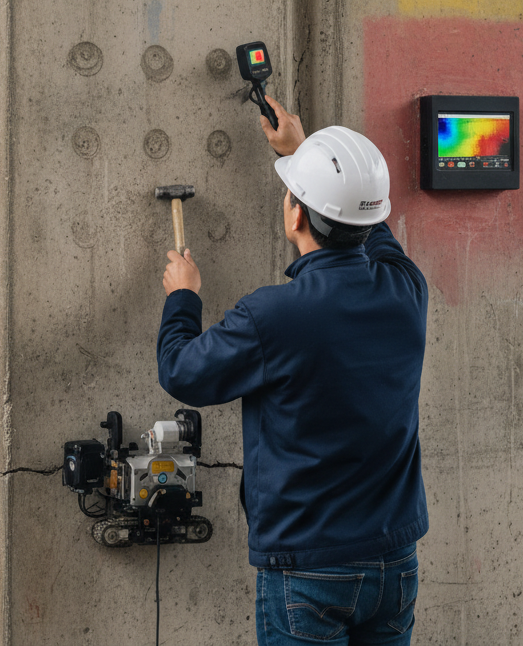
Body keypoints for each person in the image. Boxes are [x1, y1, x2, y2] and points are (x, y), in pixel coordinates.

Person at [158, 95, 428, 645]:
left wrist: (183, 298)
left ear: (296, 213)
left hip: (309, 568)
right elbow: (368, 223)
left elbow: (183, 372)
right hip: (394, 561)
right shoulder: (406, 290)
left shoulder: (272, 316)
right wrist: (305, 152)